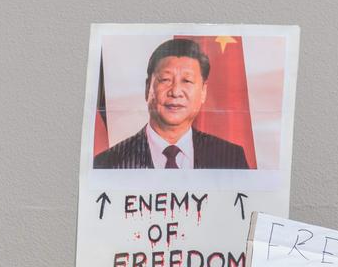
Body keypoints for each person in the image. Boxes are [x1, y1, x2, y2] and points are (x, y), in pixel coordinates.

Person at [93, 38, 250, 170]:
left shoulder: (231, 157)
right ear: (148, 88)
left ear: (203, 92)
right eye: (165, 80)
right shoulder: (108, 163)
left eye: (187, 81)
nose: (175, 92)